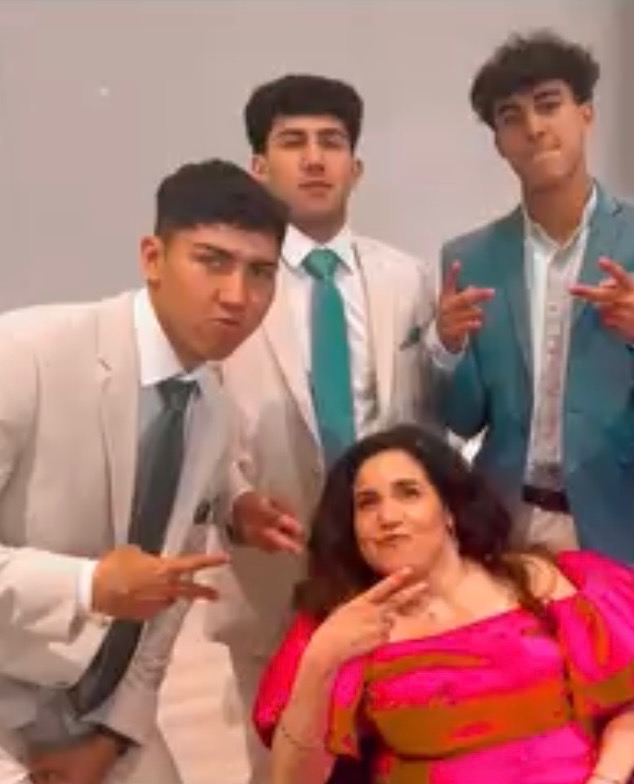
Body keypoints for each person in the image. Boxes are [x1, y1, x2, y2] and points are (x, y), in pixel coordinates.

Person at [0, 160, 296, 783]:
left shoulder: (211, 408)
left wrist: (112, 736)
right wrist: (86, 585)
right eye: (212, 261)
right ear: (152, 258)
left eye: (260, 272)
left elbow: (165, 600)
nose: (238, 296)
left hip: (87, 701)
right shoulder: (16, 355)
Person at [430, 30, 634, 653]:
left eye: (549, 105)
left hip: (627, 518)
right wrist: (447, 348)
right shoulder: (470, 257)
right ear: (499, 142)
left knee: (628, 701)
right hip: (509, 522)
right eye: (511, 117)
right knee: (514, 695)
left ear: (585, 113)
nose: (534, 127)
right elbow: (464, 417)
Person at [207, 74, 439, 782]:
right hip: (273, 567)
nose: (314, 159)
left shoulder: (408, 279)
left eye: (331, 142)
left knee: (399, 752)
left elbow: (426, 419)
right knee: (285, 759)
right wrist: (232, 502)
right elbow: (198, 425)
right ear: (259, 165)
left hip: (391, 562)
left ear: (355, 166)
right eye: (293, 142)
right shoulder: (229, 286)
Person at [252, 424, 634, 784]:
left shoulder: (533, 581)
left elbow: (632, 701)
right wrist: (321, 660)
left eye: (408, 493)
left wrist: (606, 779)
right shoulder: (343, 624)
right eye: (367, 503)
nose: (387, 516)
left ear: (449, 510)